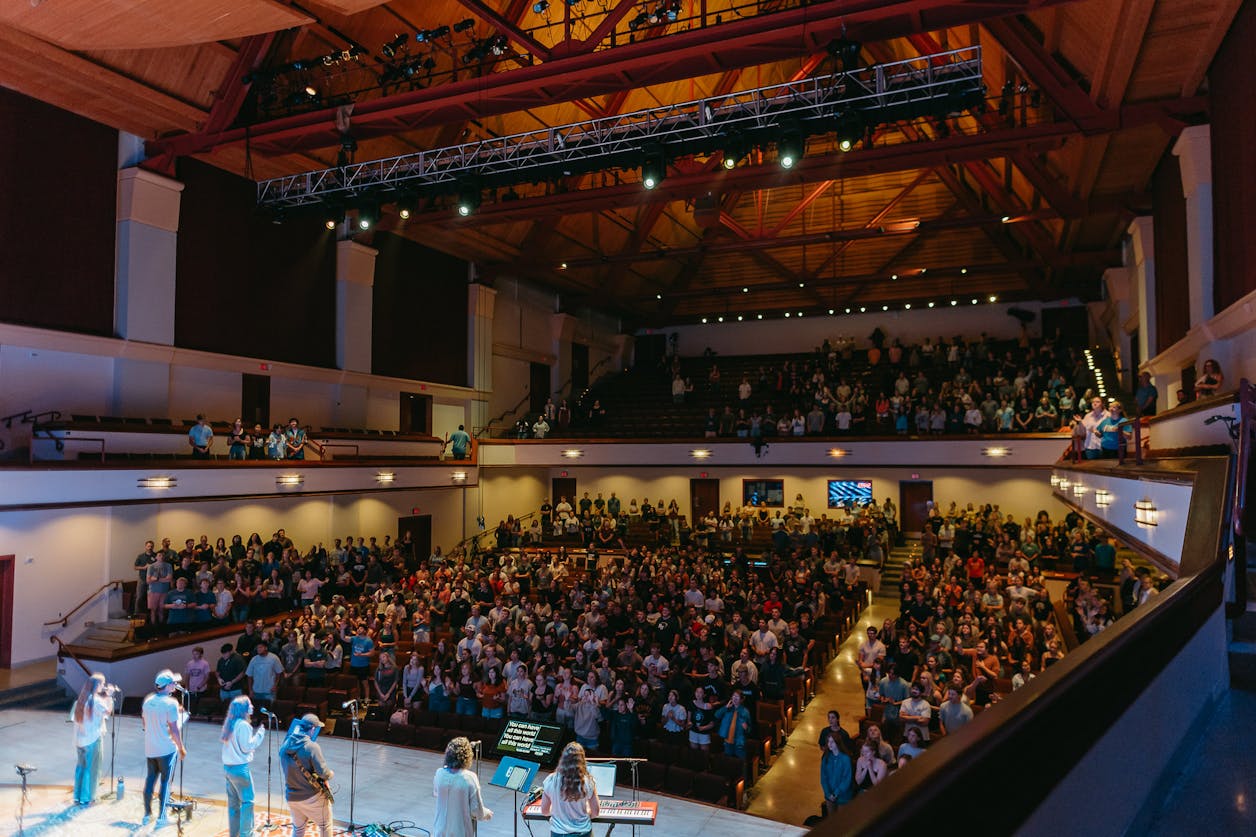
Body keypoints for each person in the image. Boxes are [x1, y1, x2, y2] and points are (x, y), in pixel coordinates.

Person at [141, 669, 187, 828]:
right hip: (166, 749)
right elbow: (174, 730)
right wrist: (181, 748)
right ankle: (162, 817)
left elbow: (145, 723)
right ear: (167, 686)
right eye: (174, 683)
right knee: (166, 783)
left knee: (150, 780)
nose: (176, 685)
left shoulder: (148, 700)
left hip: (150, 748)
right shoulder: (171, 703)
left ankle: (147, 814)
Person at [280, 714, 334, 837]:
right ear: (313, 729)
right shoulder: (311, 747)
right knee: (325, 825)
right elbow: (323, 773)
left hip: (292, 796)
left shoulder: (285, 745)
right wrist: (331, 773)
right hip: (311, 797)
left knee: (298, 829)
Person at [221, 696, 265, 837]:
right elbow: (247, 747)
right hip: (240, 769)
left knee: (234, 804)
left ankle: (235, 834)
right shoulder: (244, 725)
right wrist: (260, 735)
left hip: (228, 768)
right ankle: (247, 834)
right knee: (247, 802)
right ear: (244, 709)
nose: (252, 706)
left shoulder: (230, 723)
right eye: (250, 704)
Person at [432, 736, 492, 837]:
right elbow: (476, 811)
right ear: (467, 756)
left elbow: (437, 793)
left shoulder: (439, 773)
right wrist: (486, 813)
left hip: (439, 832)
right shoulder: (470, 777)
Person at [71, 672, 115, 805]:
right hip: (93, 739)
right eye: (102, 683)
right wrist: (110, 696)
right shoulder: (96, 700)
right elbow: (108, 712)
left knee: (81, 768)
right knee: (92, 768)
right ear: (96, 685)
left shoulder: (81, 699)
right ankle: (89, 798)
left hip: (80, 740)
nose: (104, 686)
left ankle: (78, 797)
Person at [540, 742, 600, 837]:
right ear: (582, 760)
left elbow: (545, 812)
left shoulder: (551, 780)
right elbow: (595, 813)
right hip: (583, 833)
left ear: (563, 759)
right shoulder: (588, 781)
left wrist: (558, 811)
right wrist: (585, 811)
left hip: (558, 833)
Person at [820, 733, 854, 814]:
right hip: (829, 795)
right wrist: (828, 793)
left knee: (841, 820)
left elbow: (846, 779)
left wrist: (836, 793)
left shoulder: (845, 759)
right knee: (831, 820)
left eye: (832, 742)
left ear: (837, 743)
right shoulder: (826, 758)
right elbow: (823, 777)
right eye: (828, 742)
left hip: (843, 796)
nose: (829, 744)